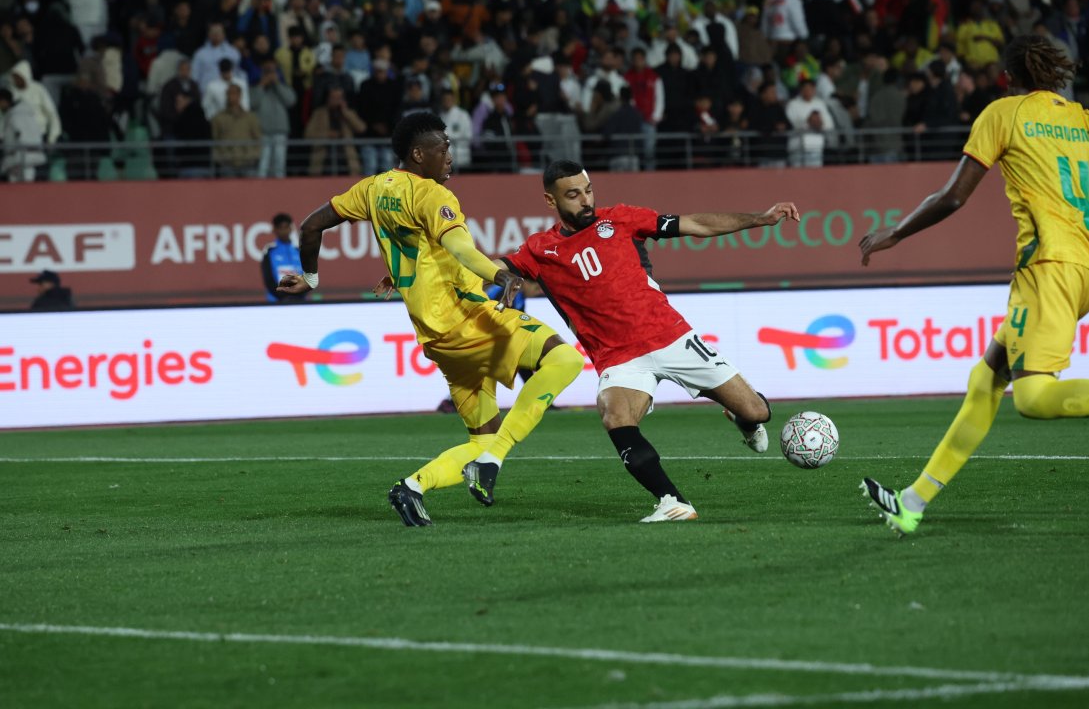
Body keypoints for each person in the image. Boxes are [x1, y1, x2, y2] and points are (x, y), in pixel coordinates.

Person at [278, 112, 583, 527]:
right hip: (469, 320)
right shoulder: (434, 196)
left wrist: (311, 279)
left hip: (438, 341)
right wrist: (501, 274)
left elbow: (312, 226)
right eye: (443, 147)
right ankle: (494, 460)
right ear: (419, 153)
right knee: (566, 361)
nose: (451, 155)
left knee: (483, 439)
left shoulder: (372, 188)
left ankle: (412, 486)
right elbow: (461, 249)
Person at [860, 35, 1089, 535]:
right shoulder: (1081, 120)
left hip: (1047, 265)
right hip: (1082, 263)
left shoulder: (1003, 113)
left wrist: (894, 233)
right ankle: (912, 502)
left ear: (1009, 77)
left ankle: (913, 502)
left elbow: (953, 196)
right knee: (987, 379)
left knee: (1032, 399)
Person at [498, 160, 800, 522]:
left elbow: (695, 223)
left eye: (589, 190)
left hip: (670, 336)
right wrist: (495, 275)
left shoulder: (622, 219)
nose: (585, 201)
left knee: (758, 410)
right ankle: (672, 501)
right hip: (618, 357)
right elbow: (493, 267)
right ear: (551, 201)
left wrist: (759, 219)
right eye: (574, 195)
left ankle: (744, 420)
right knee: (616, 417)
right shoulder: (539, 249)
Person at [261, 213, 303, 302]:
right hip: (276, 302)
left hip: (300, 302)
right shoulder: (269, 252)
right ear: (274, 230)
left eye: (286, 227)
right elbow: (268, 279)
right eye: (280, 228)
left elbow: (308, 277)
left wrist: (298, 295)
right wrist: (283, 297)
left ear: (291, 228)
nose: (284, 231)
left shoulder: (299, 251)